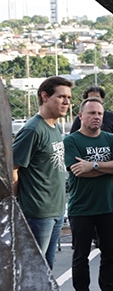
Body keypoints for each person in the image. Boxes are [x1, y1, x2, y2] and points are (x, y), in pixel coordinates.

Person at [64, 97, 113, 291]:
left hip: (108, 205)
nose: (96, 117)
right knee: (81, 254)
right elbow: (78, 172)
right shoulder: (71, 141)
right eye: (91, 113)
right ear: (81, 116)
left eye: (99, 113)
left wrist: (94, 166)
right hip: (81, 207)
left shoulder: (111, 139)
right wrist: (103, 168)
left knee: (110, 253)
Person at [12, 76, 72, 269]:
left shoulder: (54, 128)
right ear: (44, 96)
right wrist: (16, 203)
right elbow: (13, 167)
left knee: (47, 268)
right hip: (37, 212)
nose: (66, 102)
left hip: (56, 210)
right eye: (61, 96)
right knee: (34, 269)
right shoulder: (33, 129)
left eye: (69, 98)